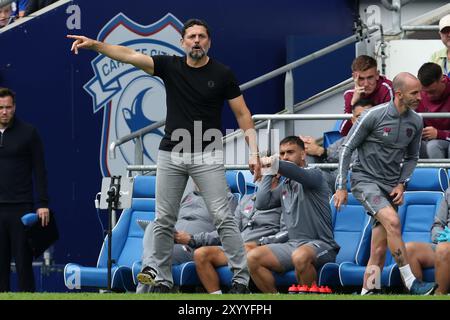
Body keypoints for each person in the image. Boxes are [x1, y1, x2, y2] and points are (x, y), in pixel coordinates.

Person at [68, 19, 261, 294]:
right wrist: (97, 46)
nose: (196, 41)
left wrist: (253, 151)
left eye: (202, 36)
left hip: (207, 154)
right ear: (183, 42)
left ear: (209, 42)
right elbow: (130, 55)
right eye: (191, 36)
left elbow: (243, 114)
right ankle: (162, 280)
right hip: (171, 153)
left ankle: (241, 280)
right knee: (163, 219)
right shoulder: (170, 66)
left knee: (223, 217)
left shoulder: (222, 73)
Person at [334, 72, 437, 295]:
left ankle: (367, 291)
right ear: (398, 94)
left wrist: (402, 184)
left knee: (379, 248)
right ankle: (410, 281)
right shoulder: (373, 115)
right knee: (392, 221)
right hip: (365, 181)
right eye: (415, 93)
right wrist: (341, 186)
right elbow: (346, 147)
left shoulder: (417, 121)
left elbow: (412, 158)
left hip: (391, 187)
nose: (420, 97)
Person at [246, 136, 340, 293]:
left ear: (303, 155)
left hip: (322, 244)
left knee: (300, 256)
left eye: (290, 152)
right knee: (252, 258)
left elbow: (295, 171)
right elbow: (261, 203)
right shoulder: (286, 184)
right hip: (293, 245)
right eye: (282, 153)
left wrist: (274, 163)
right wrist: (269, 171)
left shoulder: (315, 175)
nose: (285, 157)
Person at [136, 185, 237, 293]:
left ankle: (154, 276)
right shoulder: (188, 196)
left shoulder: (226, 198)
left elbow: (227, 231)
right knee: (154, 225)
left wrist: (192, 239)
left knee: (154, 258)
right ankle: (155, 275)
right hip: (172, 239)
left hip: (191, 245)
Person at [192, 175, 284, 294]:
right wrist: (194, 239)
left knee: (246, 248)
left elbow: (286, 231)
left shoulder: (283, 197)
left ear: (276, 174)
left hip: (265, 248)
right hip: (240, 248)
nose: (255, 172)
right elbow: (231, 229)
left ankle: (256, 292)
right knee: (201, 254)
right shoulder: (246, 199)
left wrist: (262, 243)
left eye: (261, 167)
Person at [0, 88, 50, 292]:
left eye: (8, 107)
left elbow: (40, 170)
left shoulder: (29, 133)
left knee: (23, 265)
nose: (4, 111)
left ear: (14, 108)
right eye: (0, 108)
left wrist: (43, 204)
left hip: (23, 210)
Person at [301, 98, 372, 192]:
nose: (363, 120)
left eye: (367, 115)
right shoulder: (344, 140)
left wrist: (321, 151)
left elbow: (359, 160)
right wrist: (312, 148)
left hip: (368, 181)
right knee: (307, 155)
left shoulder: (385, 138)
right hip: (338, 180)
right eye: (359, 117)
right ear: (353, 120)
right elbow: (328, 158)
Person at [405, 187, 450, 295]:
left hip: (445, 249)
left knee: (443, 249)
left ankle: (439, 295)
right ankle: (421, 293)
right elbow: (438, 224)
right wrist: (441, 238)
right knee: (409, 249)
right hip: (445, 243)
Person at [340, 55, 393, 136]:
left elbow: (391, 123)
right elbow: (344, 132)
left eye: (370, 78)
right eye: (361, 79)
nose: (366, 84)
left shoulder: (386, 88)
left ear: (377, 75)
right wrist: (353, 104)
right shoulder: (350, 95)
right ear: (354, 77)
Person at [416, 62, 450, 159]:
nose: (428, 96)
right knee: (428, 146)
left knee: (434, 146)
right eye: (424, 91)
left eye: (432, 91)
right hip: (431, 141)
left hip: (441, 138)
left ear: (442, 80)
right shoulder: (417, 95)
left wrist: (439, 134)